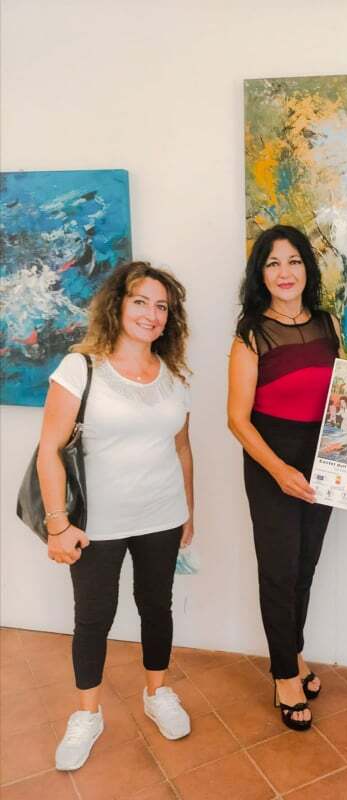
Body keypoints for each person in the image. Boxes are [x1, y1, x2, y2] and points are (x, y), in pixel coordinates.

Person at [37, 262, 194, 771]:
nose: (152, 314)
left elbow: (182, 448)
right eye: (140, 301)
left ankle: (157, 692)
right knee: (93, 618)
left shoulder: (174, 375)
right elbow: (49, 450)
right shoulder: (79, 368)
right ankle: (87, 715)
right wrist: (57, 524)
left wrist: (188, 511)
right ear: (117, 305)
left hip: (162, 515)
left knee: (157, 607)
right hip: (95, 524)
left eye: (162, 306)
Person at [227, 224, 341, 732]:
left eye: (293, 260)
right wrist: (279, 471)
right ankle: (284, 677)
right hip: (271, 459)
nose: (284, 272)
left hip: (324, 458)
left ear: (306, 269)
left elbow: (345, 391)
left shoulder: (327, 323)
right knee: (278, 570)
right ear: (261, 274)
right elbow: (237, 419)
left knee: (304, 567)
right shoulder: (251, 333)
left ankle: (292, 652)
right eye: (273, 263)